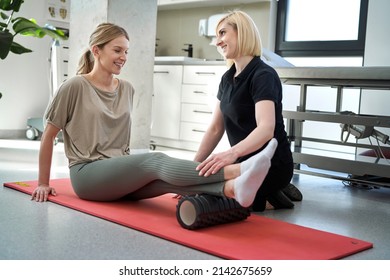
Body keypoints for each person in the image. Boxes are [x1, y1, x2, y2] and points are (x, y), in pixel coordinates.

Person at [30, 22, 279, 211]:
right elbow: (49, 135)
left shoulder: (126, 88)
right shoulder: (75, 86)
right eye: (117, 50)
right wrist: (43, 182)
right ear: (96, 51)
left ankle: (233, 189)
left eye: (126, 51)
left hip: (118, 171)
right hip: (88, 175)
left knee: (163, 182)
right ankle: (237, 171)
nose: (123, 58)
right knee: (155, 160)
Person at [194, 11, 302, 211]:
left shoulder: (263, 75)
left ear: (242, 33)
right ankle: (273, 191)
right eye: (217, 36)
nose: (218, 42)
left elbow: (266, 129)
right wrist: (192, 169)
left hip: (272, 163)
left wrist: (230, 154)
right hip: (242, 162)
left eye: (223, 33)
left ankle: (275, 195)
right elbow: (216, 129)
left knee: (221, 197)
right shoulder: (227, 78)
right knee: (201, 184)